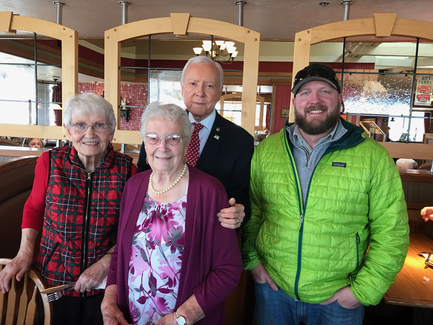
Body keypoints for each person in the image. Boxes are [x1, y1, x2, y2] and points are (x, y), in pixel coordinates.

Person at [242, 63, 410, 325]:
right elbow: (255, 212)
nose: (315, 100)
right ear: (296, 101)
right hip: (274, 292)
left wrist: (362, 291)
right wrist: (253, 262)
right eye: (305, 93)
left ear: (339, 100)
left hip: (338, 300)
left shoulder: (372, 157)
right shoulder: (267, 150)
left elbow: (392, 232)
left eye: (325, 91)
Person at [0, 92, 137, 325]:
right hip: (54, 281)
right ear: (68, 130)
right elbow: (34, 209)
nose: (89, 134)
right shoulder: (50, 163)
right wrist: (25, 252)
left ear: (112, 131)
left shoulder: (128, 171)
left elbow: (132, 229)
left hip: (105, 286)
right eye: (80, 125)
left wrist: (105, 265)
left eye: (99, 125)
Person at [101, 102, 243, 325]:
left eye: (173, 138)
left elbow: (228, 269)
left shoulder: (210, 191)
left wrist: (182, 318)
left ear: (186, 143)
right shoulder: (133, 186)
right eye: (153, 137)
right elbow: (121, 253)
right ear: (144, 143)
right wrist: (109, 303)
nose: (162, 147)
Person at [137, 56, 254, 230]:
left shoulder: (240, 140)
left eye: (209, 85)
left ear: (220, 91)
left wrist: (239, 212)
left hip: (209, 231)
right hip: (158, 228)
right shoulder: (161, 127)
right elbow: (143, 176)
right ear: (182, 87)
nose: (200, 92)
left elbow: (242, 196)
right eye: (193, 84)